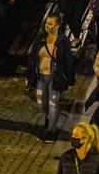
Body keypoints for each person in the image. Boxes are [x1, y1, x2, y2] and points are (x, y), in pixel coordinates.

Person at [27, 13, 74, 142]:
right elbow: (32, 58)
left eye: (50, 24)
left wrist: (69, 79)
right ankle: (50, 118)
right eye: (46, 23)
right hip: (41, 77)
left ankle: (51, 130)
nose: (47, 26)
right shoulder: (41, 39)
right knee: (41, 102)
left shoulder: (63, 41)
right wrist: (29, 75)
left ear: (57, 25)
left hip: (55, 77)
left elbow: (68, 60)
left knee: (53, 102)